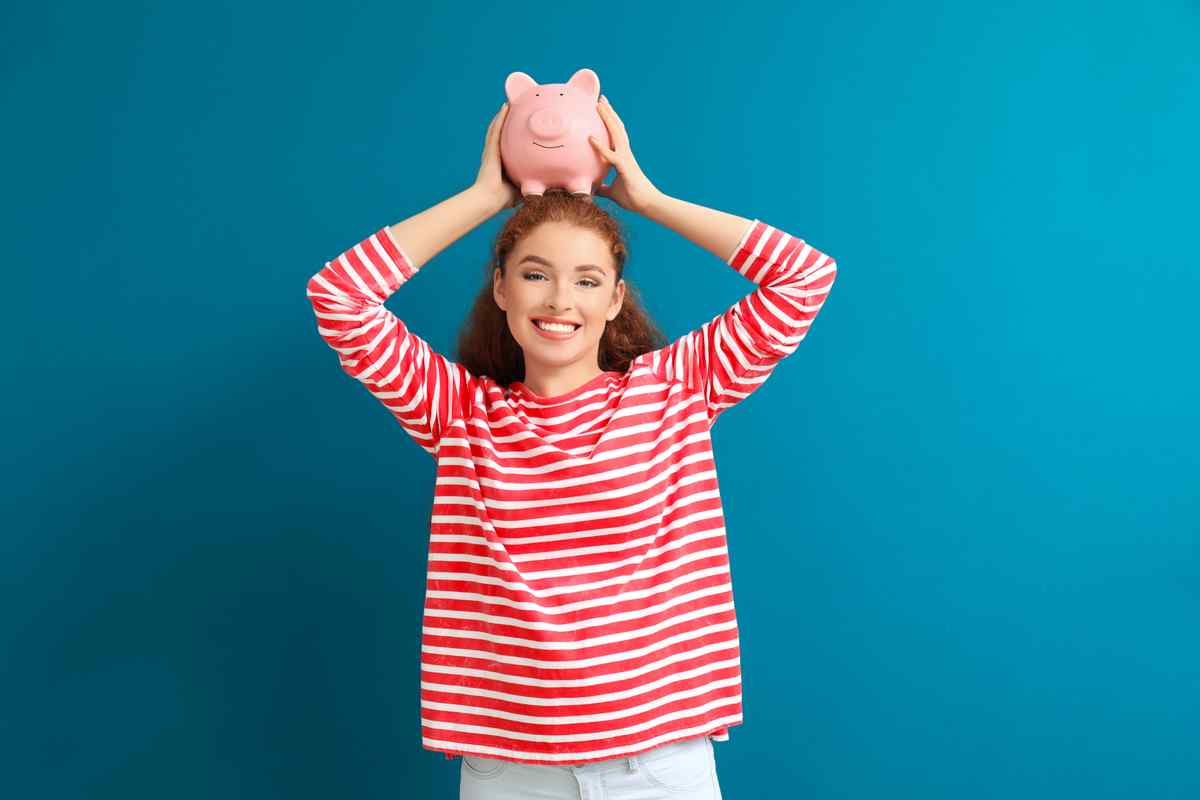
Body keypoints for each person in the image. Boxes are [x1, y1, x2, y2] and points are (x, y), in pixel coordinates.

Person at [306, 95, 838, 800]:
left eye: (588, 280)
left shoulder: (675, 390)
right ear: (501, 287)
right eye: (535, 273)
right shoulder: (460, 414)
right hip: (510, 767)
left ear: (616, 299)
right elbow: (338, 296)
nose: (561, 300)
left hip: (657, 760)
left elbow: (804, 277)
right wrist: (481, 198)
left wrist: (648, 199)